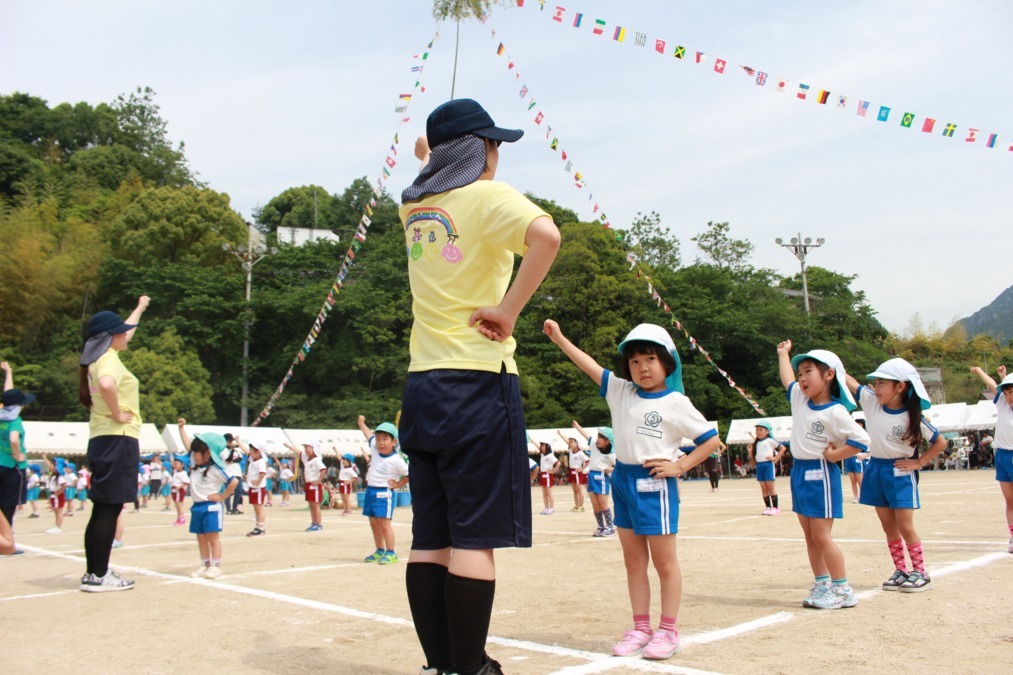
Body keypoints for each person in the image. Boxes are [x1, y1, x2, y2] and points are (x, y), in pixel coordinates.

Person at [397, 98, 560, 675]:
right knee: (474, 539)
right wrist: (510, 309)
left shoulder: (414, 206)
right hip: (477, 384)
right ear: (481, 150)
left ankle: (441, 664)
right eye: (494, 144)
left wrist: (435, 151)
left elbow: (429, 159)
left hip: (421, 388)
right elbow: (547, 236)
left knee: (430, 538)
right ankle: (472, 668)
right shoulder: (489, 198)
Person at [544, 320, 720, 660]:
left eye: (650, 359)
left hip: (656, 484)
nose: (642, 367)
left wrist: (680, 466)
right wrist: (561, 339)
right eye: (635, 361)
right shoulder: (620, 391)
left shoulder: (676, 402)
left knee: (664, 563)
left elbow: (711, 439)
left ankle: (668, 630)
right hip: (622, 479)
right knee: (634, 562)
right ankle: (641, 628)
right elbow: (590, 366)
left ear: (667, 362)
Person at [777, 341, 870, 610]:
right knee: (810, 536)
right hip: (800, 471)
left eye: (808, 372)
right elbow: (787, 378)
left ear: (828, 375)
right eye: (801, 373)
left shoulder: (836, 411)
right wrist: (784, 354)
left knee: (822, 535)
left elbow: (862, 440)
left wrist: (834, 456)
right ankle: (822, 583)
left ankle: (842, 589)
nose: (802, 378)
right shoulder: (799, 398)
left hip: (822, 473)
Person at [844, 358, 947, 592]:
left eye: (881, 383)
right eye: (875, 383)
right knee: (888, 526)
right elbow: (852, 384)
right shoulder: (871, 403)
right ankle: (900, 570)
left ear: (900, 386)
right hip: (876, 468)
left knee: (905, 525)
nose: (875, 388)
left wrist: (919, 462)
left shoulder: (913, 416)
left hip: (900, 471)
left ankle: (920, 572)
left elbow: (940, 442)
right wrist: (837, 368)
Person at [77, 297, 148, 592]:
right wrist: (118, 412)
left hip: (101, 438)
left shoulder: (98, 357)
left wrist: (140, 307)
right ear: (110, 337)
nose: (126, 334)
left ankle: (94, 571)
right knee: (110, 507)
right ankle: (100, 575)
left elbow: (126, 331)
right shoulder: (108, 361)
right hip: (118, 438)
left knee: (102, 508)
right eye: (120, 331)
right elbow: (107, 385)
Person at [177, 422, 238, 580]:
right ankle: (204, 565)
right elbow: (188, 445)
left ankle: (215, 566)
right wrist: (181, 429)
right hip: (197, 507)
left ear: (208, 454)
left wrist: (222, 496)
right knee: (201, 537)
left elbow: (234, 482)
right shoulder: (195, 465)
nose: (194, 454)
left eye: (197, 452)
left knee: (212, 538)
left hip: (211, 507)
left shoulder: (216, 469)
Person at [970, 365, 1013, 553]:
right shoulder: (1003, 402)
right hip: (1002, 455)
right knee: (1010, 501)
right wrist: (979, 371)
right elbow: (992, 384)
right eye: (1007, 393)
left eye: (1011, 392)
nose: (1009, 397)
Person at [357, 416, 409, 564]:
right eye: (378, 439)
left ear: (394, 442)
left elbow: (408, 474)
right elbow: (368, 434)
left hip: (384, 494)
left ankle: (391, 553)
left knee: (385, 525)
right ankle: (379, 550)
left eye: (385, 439)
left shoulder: (396, 460)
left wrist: (398, 485)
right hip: (370, 491)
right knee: (374, 523)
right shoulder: (374, 448)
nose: (380, 443)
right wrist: (361, 423)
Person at [0, 378, 34, 545]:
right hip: (12, 468)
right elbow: (14, 439)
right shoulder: (15, 421)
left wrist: (9, 373)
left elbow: (7, 396)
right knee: (9, 506)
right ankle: (6, 543)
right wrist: (17, 455)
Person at [573, 421, 616, 537]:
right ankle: (601, 526)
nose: (597, 439)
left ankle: (610, 527)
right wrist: (577, 426)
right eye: (598, 436)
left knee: (603, 505)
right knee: (595, 505)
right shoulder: (593, 445)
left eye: (601, 437)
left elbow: (619, 467)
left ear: (608, 440)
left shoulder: (612, 454)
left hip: (602, 477)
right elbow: (585, 434)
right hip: (591, 476)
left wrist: (608, 469)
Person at [286, 440, 325, 531]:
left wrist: (318, 481)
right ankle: (314, 523)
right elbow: (299, 452)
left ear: (313, 449)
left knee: (315, 506)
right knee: (311, 505)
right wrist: (289, 446)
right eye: (305, 448)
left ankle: (319, 524)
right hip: (308, 485)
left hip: (314, 485)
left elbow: (323, 469)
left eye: (307, 448)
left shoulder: (316, 459)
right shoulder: (306, 458)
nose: (305, 450)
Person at [748, 422, 786, 515]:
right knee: (764, 489)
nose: (758, 432)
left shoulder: (770, 440)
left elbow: (783, 448)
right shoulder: (756, 443)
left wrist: (776, 458)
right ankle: (768, 507)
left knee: (771, 488)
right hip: (759, 466)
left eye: (761, 429)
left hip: (768, 465)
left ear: (767, 431)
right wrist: (750, 452)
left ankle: (776, 508)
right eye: (757, 429)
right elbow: (754, 458)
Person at [241, 441, 268, 537]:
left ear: (258, 452)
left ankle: (261, 528)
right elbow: (245, 451)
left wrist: (258, 481)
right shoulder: (253, 461)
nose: (250, 453)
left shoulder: (260, 462)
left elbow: (262, 473)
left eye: (252, 451)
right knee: (256, 509)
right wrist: (238, 441)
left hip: (258, 488)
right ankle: (258, 527)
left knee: (259, 509)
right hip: (253, 488)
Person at [558, 431, 588, 512]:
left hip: (577, 472)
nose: (570, 444)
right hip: (571, 471)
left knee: (579, 489)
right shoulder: (571, 451)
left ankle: (581, 506)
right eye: (569, 442)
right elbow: (566, 440)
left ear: (577, 443)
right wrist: (560, 434)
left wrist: (582, 468)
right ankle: (576, 506)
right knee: (574, 490)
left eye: (572, 442)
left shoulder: (580, 453)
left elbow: (588, 460)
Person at [42, 454, 68, 534]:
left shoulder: (60, 476)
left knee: (59, 511)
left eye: (53, 465)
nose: (51, 466)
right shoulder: (54, 475)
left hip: (58, 495)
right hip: (55, 494)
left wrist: (57, 493)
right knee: (56, 511)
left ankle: (58, 527)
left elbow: (64, 485)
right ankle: (56, 526)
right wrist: (45, 458)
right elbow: (50, 466)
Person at [533, 440, 559, 515]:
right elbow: (538, 446)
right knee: (544, 493)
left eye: (544, 446)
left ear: (548, 446)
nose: (542, 447)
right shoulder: (542, 454)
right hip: (543, 474)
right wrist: (531, 440)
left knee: (549, 492)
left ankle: (552, 508)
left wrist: (553, 471)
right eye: (542, 446)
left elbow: (558, 463)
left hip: (548, 475)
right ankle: (546, 507)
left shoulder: (550, 455)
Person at [221, 434, 245, 515]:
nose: (231, 443)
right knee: (229, 491)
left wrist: (233, 458)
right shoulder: (223, 450)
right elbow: (228, 459)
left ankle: (235, 508)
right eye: (229, 441)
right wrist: (232, 451)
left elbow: (240, 458)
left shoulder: (236, 450)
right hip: (229, 472)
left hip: (237, 472)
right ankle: (228, 508)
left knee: (238, 491)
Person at [169, 456, 189, 526]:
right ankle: (179, 518)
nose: (175, 465)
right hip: (175, 489)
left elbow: (186, 482)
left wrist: (179, 487)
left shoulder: (183, 473)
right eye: (174, 464)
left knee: (179, 505)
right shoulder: (176, 472)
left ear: (182, 465)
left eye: (176, 464)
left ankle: (182, 518)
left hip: (179, 490)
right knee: (176, 505)